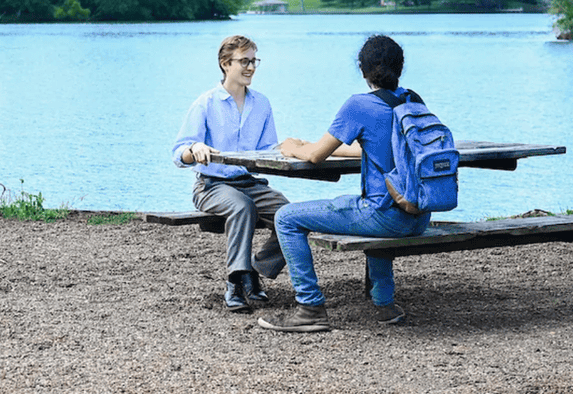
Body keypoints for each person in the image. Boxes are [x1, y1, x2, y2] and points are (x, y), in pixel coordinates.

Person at [257, 34, 430, 334]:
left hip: (385, 218)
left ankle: (309, 307)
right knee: (371, 207)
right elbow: (372, 149)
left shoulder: (359, 105)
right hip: (417, 215)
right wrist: (320, 146)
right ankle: (385, 305)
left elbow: (313, 157)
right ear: (399, 69)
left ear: (363, 71)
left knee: (286, 217)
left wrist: (291, 147)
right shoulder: (413, 101)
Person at [172, 34, 288, 313]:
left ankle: (254, 271)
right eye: (244, 61)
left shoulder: (262, 104)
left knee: (291, 215)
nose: (250, 67)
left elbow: (267, 150)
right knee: (242, 207)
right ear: (226, 64)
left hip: (249, 183)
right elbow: (178, 153)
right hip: (211, 186)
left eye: (253, 61)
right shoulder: (206, 103)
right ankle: (235, 282)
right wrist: (194, 147)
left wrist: (291, 149)